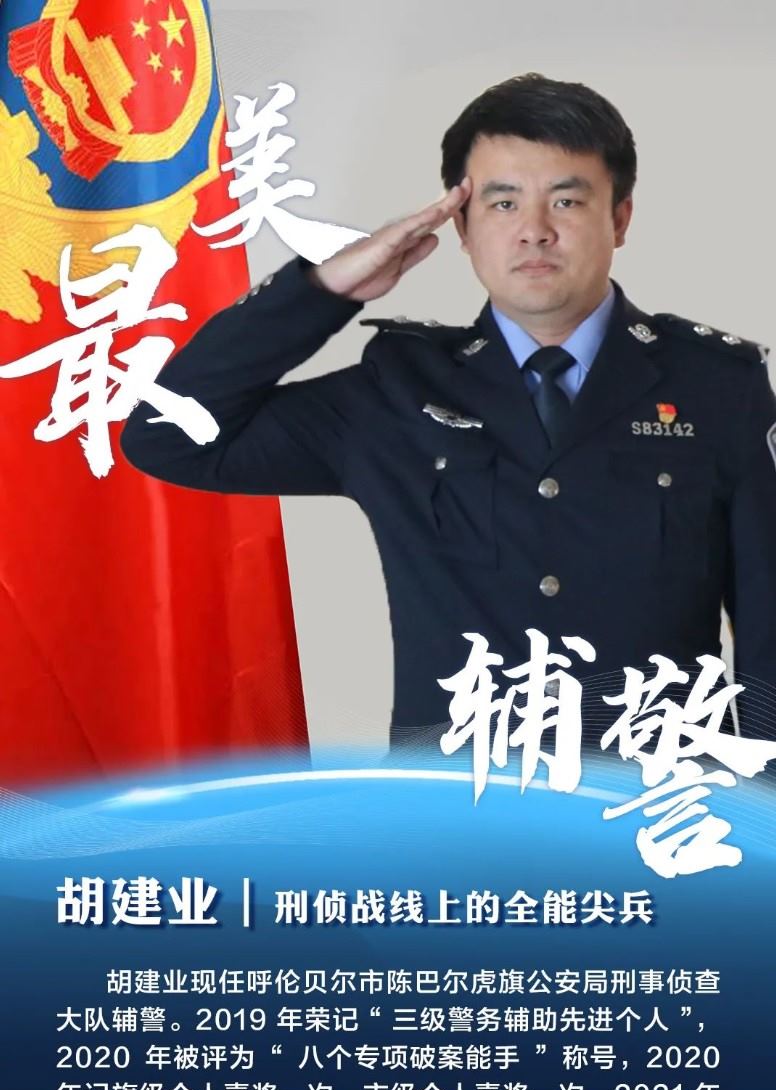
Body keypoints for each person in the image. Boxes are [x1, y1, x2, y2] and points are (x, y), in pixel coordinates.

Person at [120, 72, 776, 747]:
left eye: (566, 201)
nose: (534, 232)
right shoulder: (398, 390)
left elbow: (768, 628)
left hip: (662, 799)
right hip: (452, 802)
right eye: (502, 203)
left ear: (619, 218)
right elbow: (168, 436)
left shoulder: (716, 387)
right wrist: (324, 288)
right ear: (461, 225)